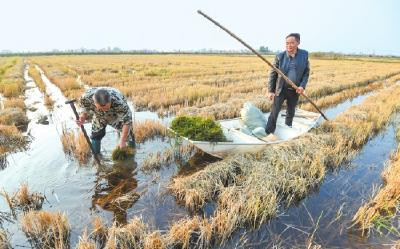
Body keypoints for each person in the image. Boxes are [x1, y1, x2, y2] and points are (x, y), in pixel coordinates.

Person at [265, 33, 310, 135]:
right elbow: (273, 74)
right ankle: (269, 133)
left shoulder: (304, 55)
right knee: (274, 112)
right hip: (281, 89)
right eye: (287, 43)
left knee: (291, 111)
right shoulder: (280, 56)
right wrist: (271, 91)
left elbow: (306, 73)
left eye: (292, 43)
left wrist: (302, 86)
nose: (289, 45)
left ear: (298, 43)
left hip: (295, 90)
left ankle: (288, 129)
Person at [76, 87, 135, 154]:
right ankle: (97, 156)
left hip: (115, 115)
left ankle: (131, 155)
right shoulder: (86, 97)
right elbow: (83, 107)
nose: (104, 110)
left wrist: (122, 141)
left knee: (128, 135)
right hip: (99, 116)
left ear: (110, 101)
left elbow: (127, 121)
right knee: (96, 135)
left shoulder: (119, 102)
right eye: (101, 108)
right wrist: (82, 117)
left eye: (106, 108)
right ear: (94, 103)